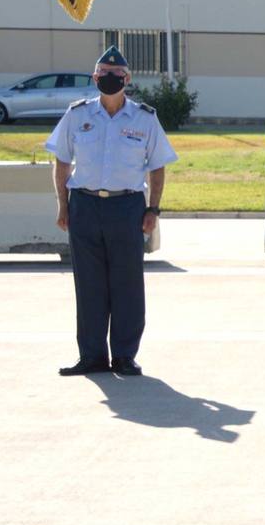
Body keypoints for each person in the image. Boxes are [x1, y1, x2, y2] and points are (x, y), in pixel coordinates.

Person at [46, 44, 177, 377]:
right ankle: (91, 356)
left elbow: (158, 166)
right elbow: (61, 161)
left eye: (116, 74)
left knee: (127, 284)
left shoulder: (145, 118)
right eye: (104, 73)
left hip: (127, 207)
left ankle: (123, 356)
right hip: (85, 205)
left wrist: (153, 209)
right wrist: (63, 204)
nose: (110, 78)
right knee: (88, 285)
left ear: (127, 78)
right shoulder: (77, 115)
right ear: (95, 77)